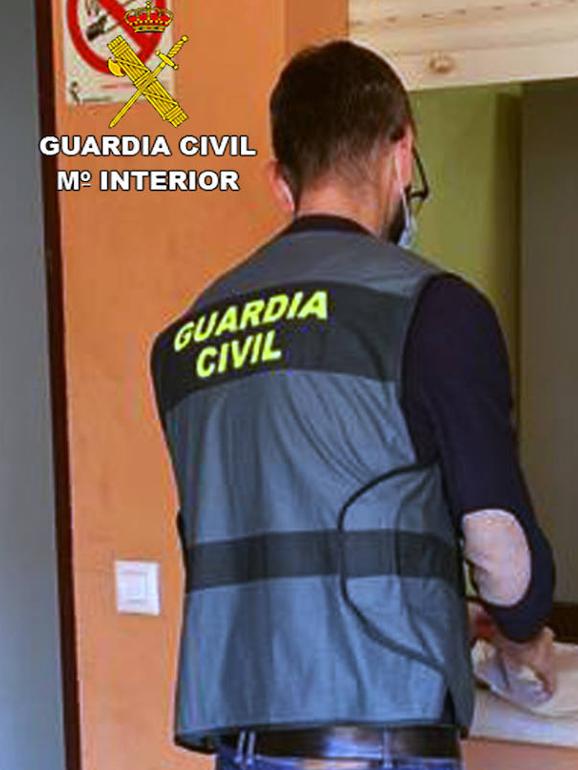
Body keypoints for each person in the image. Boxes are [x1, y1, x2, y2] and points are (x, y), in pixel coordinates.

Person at [149, 41, 556, 770]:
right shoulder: (434, 309)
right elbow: (501, 547)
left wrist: (436, 601)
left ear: (281, 182)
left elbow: (272, 540)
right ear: (402, 155)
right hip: (379, 738)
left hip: (244, 741)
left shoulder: (183, 340)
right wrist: (522, 632)